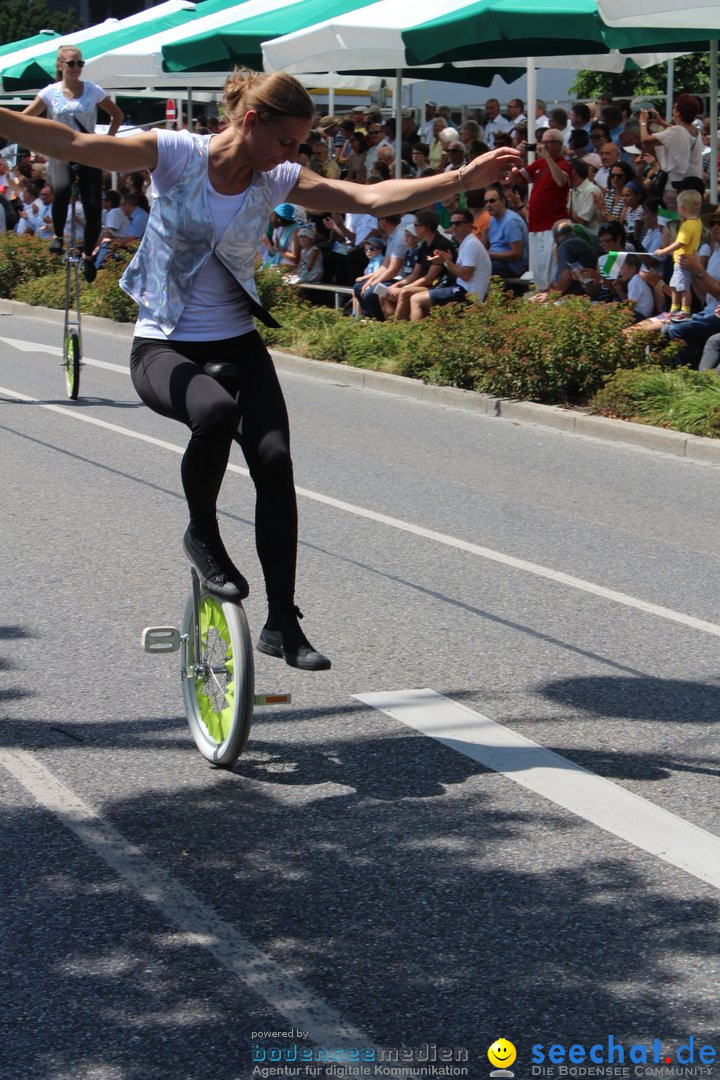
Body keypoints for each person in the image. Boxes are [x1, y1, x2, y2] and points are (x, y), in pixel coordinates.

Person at [0, 68, 519, 671]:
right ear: (250, 122)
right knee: (214, 412)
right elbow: (72, 146)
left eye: (300, 146)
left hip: (239, 341)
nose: (292, 156)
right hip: (164, 344)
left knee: (274, 462)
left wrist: (463, 176)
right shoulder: (173, 154)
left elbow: (367, 197)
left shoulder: (275, 178)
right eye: (286, 142)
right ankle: (201, 532)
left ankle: (282, 622)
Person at [22, 43, 124, 282]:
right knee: (62, 190)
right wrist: (38, 143)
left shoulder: (92, 90)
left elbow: (117, 114)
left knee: (93, 209)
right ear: (60, 66)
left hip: (88, 151)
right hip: (60, 152)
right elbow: (25, 118)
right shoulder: (50, 92)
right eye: (71, 63)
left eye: (80, 63)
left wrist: (109, 140)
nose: (76, 67)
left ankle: (88, 256)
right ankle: (58, 236)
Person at [409, 208, 492, 320]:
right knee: (421, 299)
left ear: (469, 225)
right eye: (451, 223)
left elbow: (466, 275)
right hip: (461, 289)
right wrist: (447, 262)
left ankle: (414, 336)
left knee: (416, 300)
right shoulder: (467, 243)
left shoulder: (471, 244)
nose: (453, 226)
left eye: (458, 223)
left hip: (467, 294)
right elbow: (460, 274)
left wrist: (447, 261)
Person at [518, 129, 572, 290]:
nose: (545, 145)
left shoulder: (564, 164)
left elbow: (561, 181)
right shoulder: (538, 164)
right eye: (543, 142)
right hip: (535, 226)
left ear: (559, 145)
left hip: (552, 227)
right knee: (539, 272)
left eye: (549, 142)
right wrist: (518, 155)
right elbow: (517, 177)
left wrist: (547, 157)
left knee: (551, 270)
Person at [654, 188, 703, 320]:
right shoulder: (697, 222)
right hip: (681, 260)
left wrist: (662, 251)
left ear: (683, 208)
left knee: (683, 287)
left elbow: (679, 243)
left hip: (682, 261)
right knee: (675, 285)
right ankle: (675, 308)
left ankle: (684, 310)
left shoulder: (687, 226)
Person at [481, 185, 528, 278]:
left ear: (502, 201)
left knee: (480, 268)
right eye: (485, 202)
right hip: (498, 262)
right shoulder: (492, 219)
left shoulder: (510, 221)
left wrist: (490, 255)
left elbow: (517, 254)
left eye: (492, 201)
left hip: (513, 266)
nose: (488, 205)